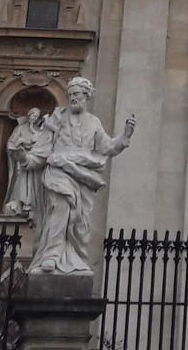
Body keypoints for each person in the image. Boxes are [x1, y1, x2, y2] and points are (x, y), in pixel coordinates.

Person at [26, 76, 136, 274]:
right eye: (70, 95)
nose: (73, 98)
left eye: (76, 94)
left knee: (79, 222)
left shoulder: (94, 122)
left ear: (87, 96)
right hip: (58, 169)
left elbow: (108, 146)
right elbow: (42, 150)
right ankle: (51, 255)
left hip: (83, 176)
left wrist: (125, 136)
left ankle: (74, 257)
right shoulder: (57, 118)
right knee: (60, 207)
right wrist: (26, 159)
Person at [2, 107, 44, 218]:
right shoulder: (20, 129)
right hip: (21, 160)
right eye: (32, 115)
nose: (34, 118)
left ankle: (33, 204)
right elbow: (11, 143)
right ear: (28, 115)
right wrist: (16, 149)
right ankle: (16, 201)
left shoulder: (40, 131)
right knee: (19, 179)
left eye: (36, 116)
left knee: (35, 181)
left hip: (36, 162)